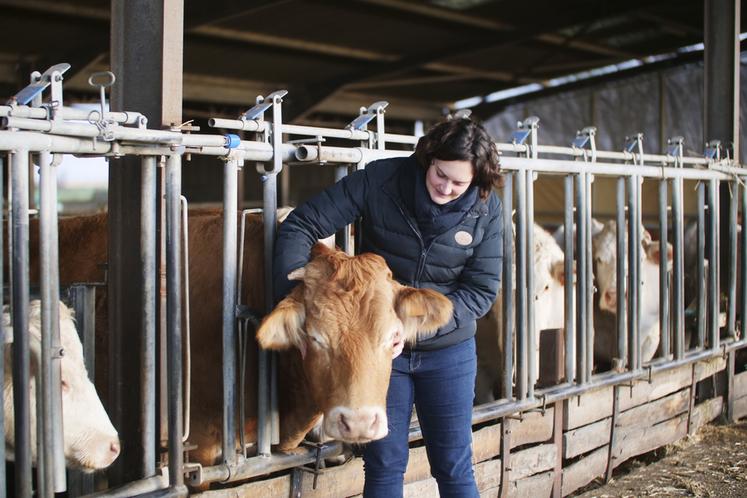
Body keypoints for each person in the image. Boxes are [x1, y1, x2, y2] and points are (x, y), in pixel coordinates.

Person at [273, 117, 503, 498]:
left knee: (453, 464)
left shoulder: (486, 211)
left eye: (458, 183)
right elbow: (302, 223)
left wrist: (411, 326)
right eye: (440, 174)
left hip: (448, 352)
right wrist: (301, 305)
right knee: (383, 464)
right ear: (428, 158)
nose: (446, 188)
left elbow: (480, 291)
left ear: (476, 182)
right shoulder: (381, 180)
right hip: (374, 353)